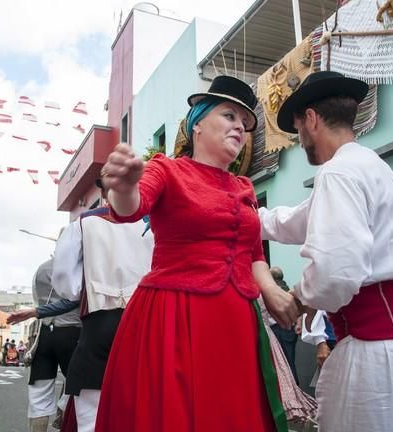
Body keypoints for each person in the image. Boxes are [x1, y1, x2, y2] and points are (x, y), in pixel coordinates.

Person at [95, 75, 300, 431]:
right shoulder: (166, 169)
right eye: (229, 115)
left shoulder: (244, 187)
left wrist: (272, 292)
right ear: (197, 124)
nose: (239, 126)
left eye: (244, 122)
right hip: (175, 317)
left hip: (238, 321)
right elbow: (130, 206)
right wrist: (124, 186)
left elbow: (253, 255)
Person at [259, 70, 393, 431]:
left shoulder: (337, 174)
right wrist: (243, 215)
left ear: (312, 120)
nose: (300, 139)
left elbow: (336, 272)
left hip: (376, 357)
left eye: (299, 128)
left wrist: (298, 301)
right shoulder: (372, 167)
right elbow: (295, 220)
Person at [54, 179, 154, 432]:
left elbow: (66, 283)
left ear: (102, 192)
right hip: (142, 322)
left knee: (92, 416)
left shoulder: (83, 223)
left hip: (99, 323)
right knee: (138, 410)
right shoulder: (151, 224)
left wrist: (93, 287)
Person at [7, 257, 82, 432]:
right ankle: (63, 413)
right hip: (73, 332)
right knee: (78, 386)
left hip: (45, 333)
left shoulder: (42, 268)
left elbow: (37, 299)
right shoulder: (81, 267)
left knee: (39, 393)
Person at [268, 266, 299, 384]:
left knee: (283, 363)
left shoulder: (274, 293)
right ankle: (295, 388)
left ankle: (291, 391)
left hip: (278, 329)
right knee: (290, 360)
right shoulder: (287, 290)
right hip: (290, 329)